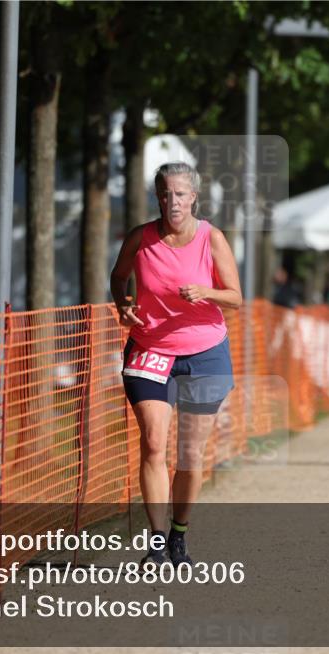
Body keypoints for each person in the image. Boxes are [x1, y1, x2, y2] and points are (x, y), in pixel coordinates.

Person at [109, 162, 241, 568]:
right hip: (151, 349)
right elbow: (119, 277)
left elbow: (236, 297)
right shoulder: (142, 238)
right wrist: (125, 306)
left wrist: (206, 292)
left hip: (205, 352)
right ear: (157, 196)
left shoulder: (211, 238)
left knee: (189, 453)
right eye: (165, 194)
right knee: (152, 443)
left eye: (180, 194)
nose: (172, 202)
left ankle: (180, 535)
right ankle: (157, 540)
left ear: (194, 197)